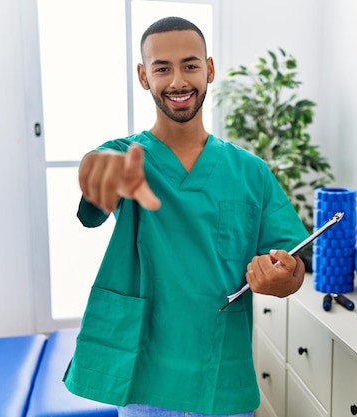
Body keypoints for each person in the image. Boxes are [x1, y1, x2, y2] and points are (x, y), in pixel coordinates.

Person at [63, 16, 309, 417]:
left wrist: (282, 277)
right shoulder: (128, 157)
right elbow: (97, 167)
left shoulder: (250, 172)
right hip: (145, 377)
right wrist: (95, 171)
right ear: (144, 77)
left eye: (190, 65)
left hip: (219, 373)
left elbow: (292, 269)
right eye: (162, 68)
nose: (178, 81)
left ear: (209, 69)